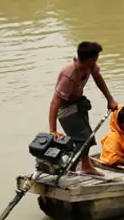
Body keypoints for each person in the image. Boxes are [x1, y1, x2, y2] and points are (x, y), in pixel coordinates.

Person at [50, 41, 119, 176]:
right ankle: (69, 169)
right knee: (82, 140)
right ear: (90, 59)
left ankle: (85, 166)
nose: (97, 59)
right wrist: (53, 130)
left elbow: (98, 78)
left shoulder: (90, 66)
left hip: (78, 104)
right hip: (65, 110)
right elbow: (54, 103)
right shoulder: (69, 75)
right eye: (97, 56)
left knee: (87, 137)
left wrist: (109, 99)